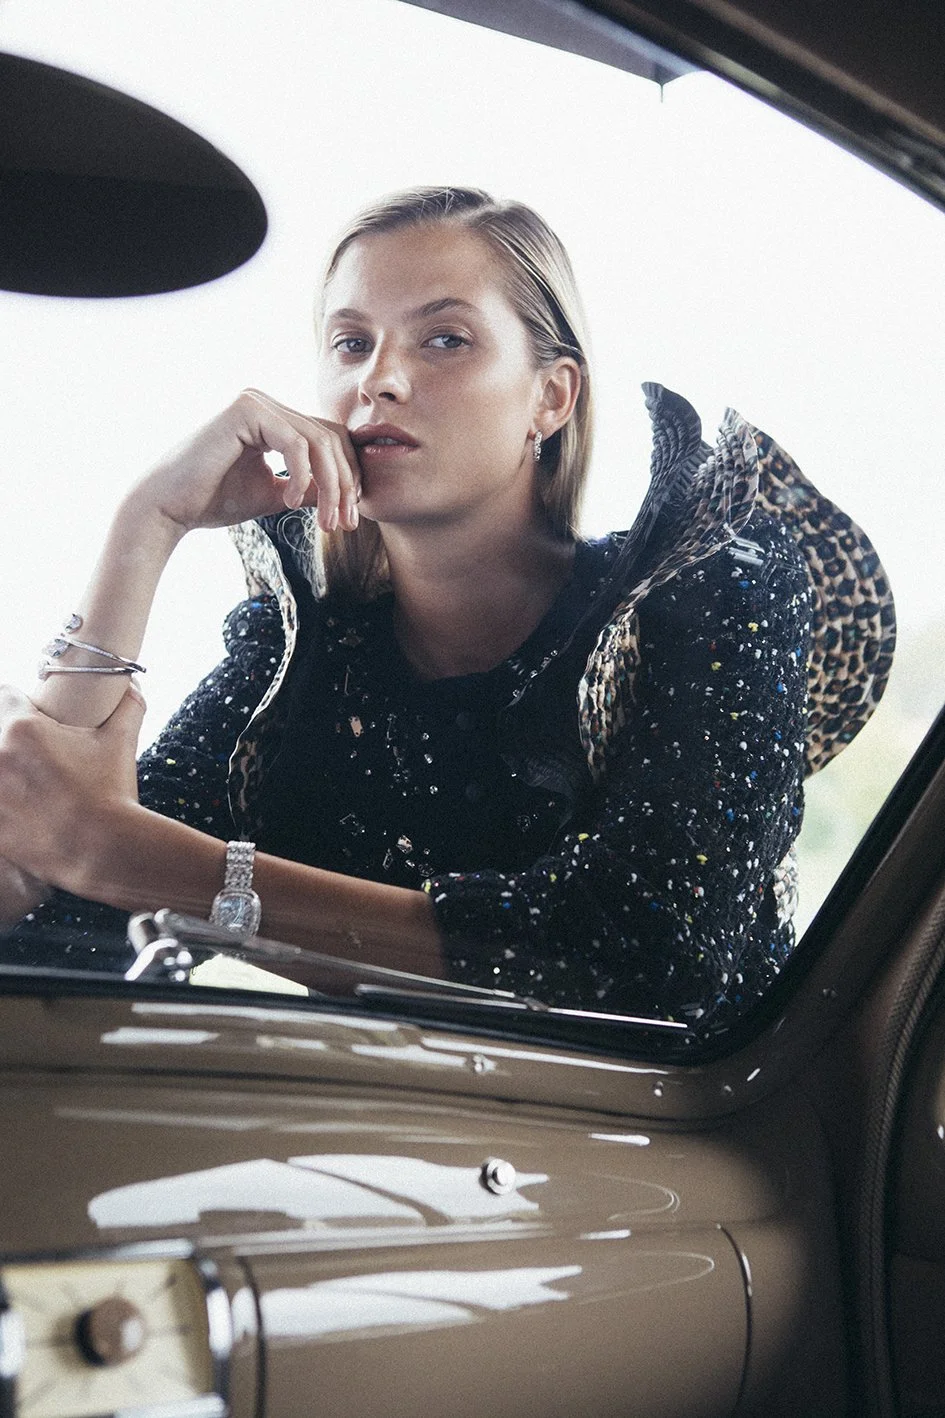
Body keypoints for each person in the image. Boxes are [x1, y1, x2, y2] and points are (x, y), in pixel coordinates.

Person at [0, 186, 894, 1032]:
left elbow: (646, 956)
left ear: (551, 396)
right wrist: (148, 522)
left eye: (444, 340)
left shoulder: (703, 585)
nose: (378, 380)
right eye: (351, 343)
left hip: (675, 1135)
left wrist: (131, 858)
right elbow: (46, 902)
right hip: (375, 1129)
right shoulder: (304, 643)